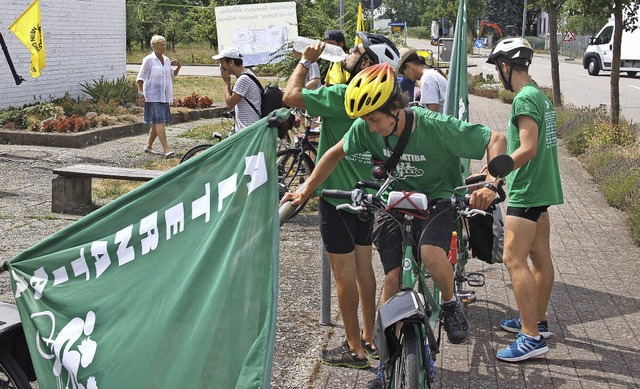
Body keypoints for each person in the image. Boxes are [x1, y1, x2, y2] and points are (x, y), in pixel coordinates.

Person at [282, 63, 507, 384]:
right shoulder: (365, 129)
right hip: (395, 201)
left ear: (395, 109)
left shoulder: (434, 126)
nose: (370, 128)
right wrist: (305, 189)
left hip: (438, 199)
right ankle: (387, 365)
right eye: (366, 121)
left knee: (431, 254)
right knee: (392, 281)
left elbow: (494, 138)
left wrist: (490, 182)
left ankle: (449, 302)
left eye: (375, 119)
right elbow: (334, 153)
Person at [282, 32, 401, 370]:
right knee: (365, 269)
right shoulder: (386, 108)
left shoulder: (341, 96)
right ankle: (369, 336)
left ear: (366, 64)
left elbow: (290, 96)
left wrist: (306, 60)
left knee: (344, 276)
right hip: (368, 199)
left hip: (337, 200)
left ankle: (354, 350)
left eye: (356, 51)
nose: (348, 53)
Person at [487, 38, 564, 362]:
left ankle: (530, 336)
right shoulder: (540, 97)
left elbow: (528, 147)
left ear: (506, 66)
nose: (498, 75)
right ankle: (537, 319)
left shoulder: (524, 99)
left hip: (527, 189)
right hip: (542, 189)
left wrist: (497, 172)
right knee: (538, 256)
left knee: (513, 259)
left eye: (498, 68)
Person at [136, 35, 181, 158]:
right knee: (160, 121)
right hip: (153, 95)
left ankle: (148, 146)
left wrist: (178, 67)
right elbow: (140, 79)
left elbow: (171, 75)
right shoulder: (149, 60)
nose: (163, 47)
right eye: (161, 44)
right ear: (153, 46)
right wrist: (141, 95)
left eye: (165, 44)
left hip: (164, 95)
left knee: (157, 123)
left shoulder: (166, 60)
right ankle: (166, 149)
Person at [212, 47, 262, 132]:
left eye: (222, 63)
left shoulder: (243, 79)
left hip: (247, 129)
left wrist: (227, 82)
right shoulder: (248, 74)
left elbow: (229, 103)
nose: (221, 67)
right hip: (247, 128)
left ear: (231, 62)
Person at [397, 47, 447, 112]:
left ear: (408, 66)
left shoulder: (427, 79)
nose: (405, 76)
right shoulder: (432, 74)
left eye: (403, 72)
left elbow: (433, 114)